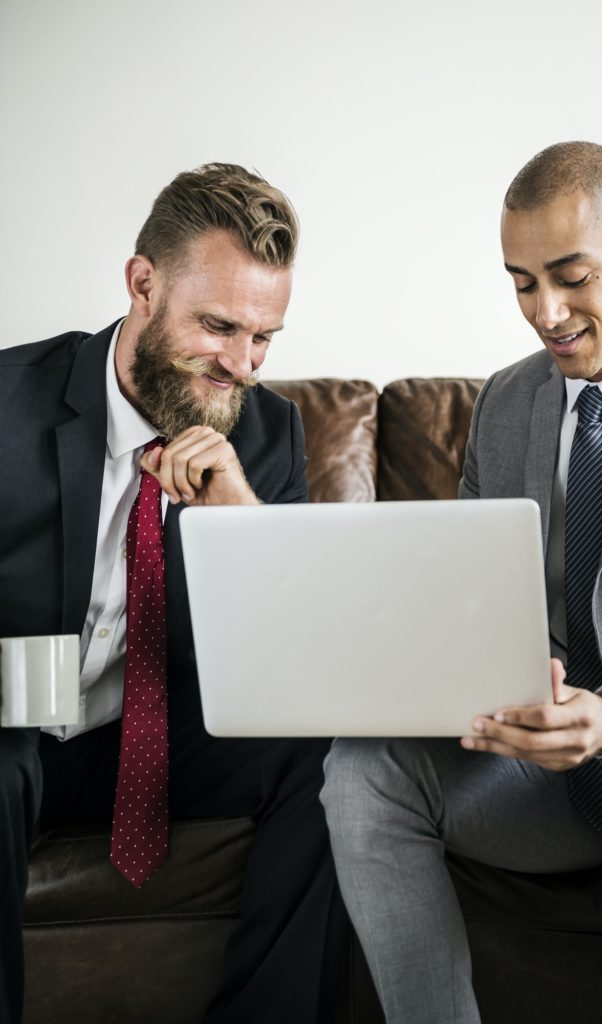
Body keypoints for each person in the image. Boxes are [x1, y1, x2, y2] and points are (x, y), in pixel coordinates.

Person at [321, 141, 602, 1024]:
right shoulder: (508, 403)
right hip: (545, 784)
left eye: (569, 276)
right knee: (362, 767)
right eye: (521, 282)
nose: (545, 313)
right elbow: (470, 606)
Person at [0, 163, 347, 1024]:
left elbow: (291, 668)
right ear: (142, 284)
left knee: (338, 758)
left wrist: (238, 516)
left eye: (264, 335)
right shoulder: (9, 402)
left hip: (154, 738)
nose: (241, 363)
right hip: (15, 733)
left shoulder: (266, 431)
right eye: (219, 326)